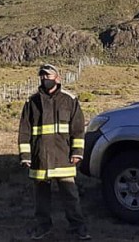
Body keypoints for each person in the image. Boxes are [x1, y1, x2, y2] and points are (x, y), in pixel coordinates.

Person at [18, 63, 91, 241]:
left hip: (63, 156)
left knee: (70, 195)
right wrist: (25, 155)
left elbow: (78, 129)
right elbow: (24, 130)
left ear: (57, 78)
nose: (45, 79)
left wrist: (77, 152)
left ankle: (77, 227)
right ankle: (43, 226)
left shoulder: (69, 100)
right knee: (41, 198)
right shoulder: (32, 102)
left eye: (48, 76)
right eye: (42, 76)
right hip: (39, 157)